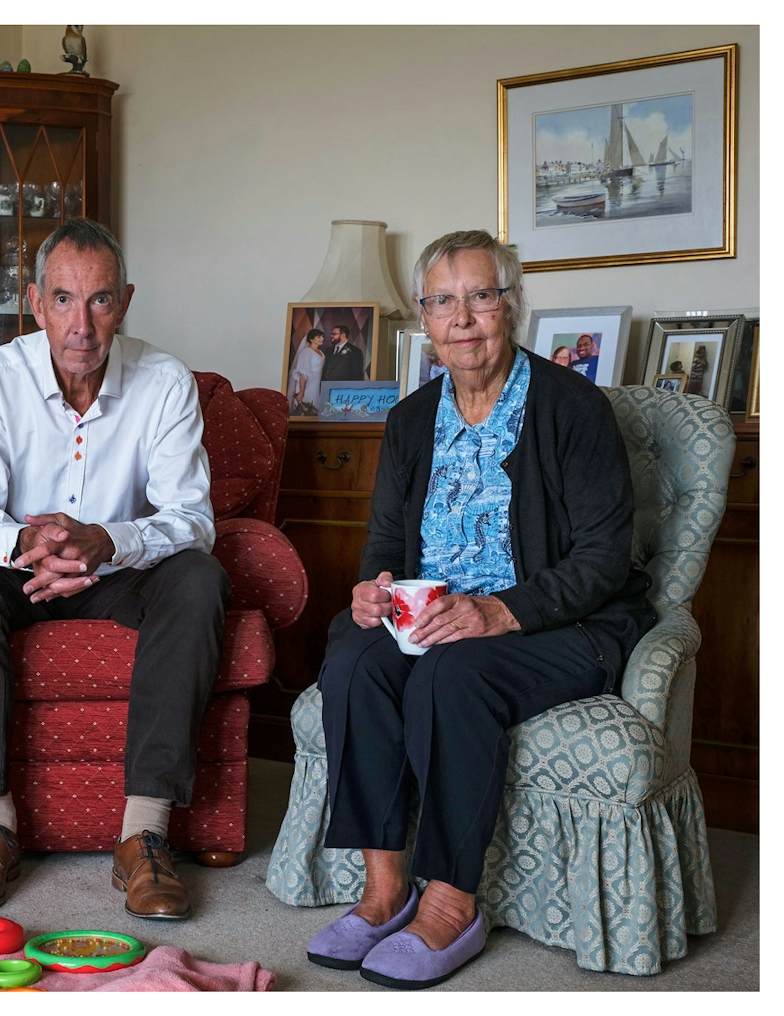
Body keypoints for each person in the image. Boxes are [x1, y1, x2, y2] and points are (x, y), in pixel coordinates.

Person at [302, 230, 655, 989]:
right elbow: (386, 547)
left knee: (451, 676)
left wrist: (497, 612)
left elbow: (602, 560)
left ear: (512, 306)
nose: (462, 318)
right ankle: (385, 890)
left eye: (481, 296)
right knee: (354, 659)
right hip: (435, 616)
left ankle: (452, 904)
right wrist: (375, 592)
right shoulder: (409, 421)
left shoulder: (573, 409)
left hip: (559, 625)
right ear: (423, 321)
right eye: (442, 302)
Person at [0, 218, 231, 921]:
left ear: (123, 301)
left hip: (119, 569)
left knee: (199, 578)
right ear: (35, 301)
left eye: (98, 302)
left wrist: (105, 541)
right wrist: (36, 544)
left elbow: (193, 518)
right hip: (20, 567)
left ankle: (144, 837)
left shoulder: (166, 381)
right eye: (63, 299)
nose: (81, 324)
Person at [289, 328, 325, 414]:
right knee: (307, 407)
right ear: (311, 339)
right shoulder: (306, 352)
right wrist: (301, 391)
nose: (322, 338)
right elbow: (303, 373)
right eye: (318, 337)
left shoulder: (321, 352)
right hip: (308, 384)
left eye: (322, 336)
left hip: (317, 383)